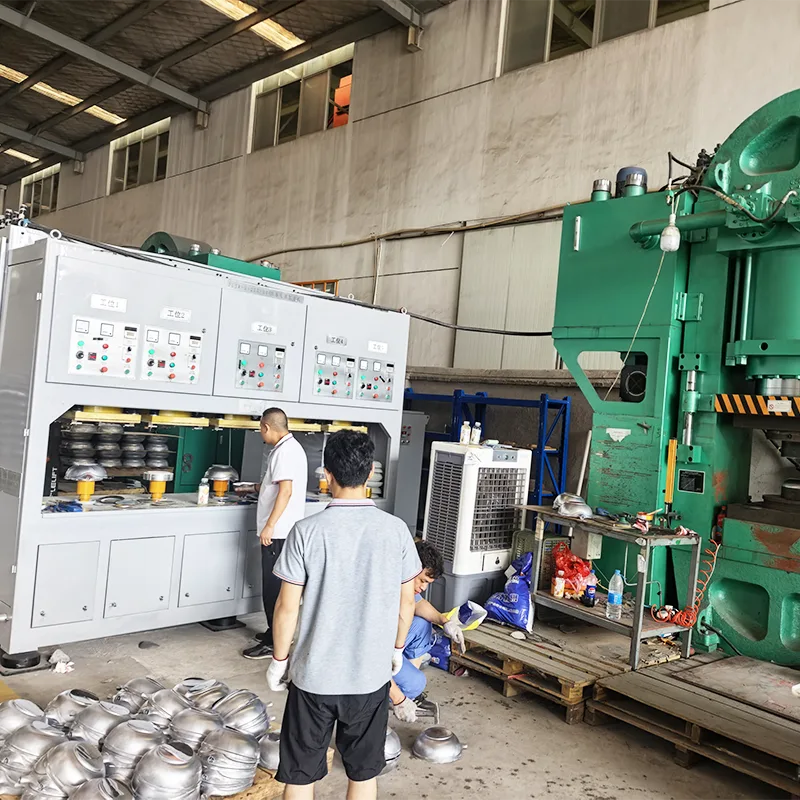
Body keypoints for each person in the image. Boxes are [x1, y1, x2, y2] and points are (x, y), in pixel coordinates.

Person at [266, 429, 420, 800]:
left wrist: (278, 661)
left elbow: (286, 607)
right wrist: (397, 650)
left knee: (300, 777)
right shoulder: (396, 531)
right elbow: (407, 603)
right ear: (370, 474)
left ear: (327, 474)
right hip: (369, 678)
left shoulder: (305, 532)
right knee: (363, 776)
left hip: (313, 678)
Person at [242, 408, 308, 660]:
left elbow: (285, 491)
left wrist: (269, 525)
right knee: (277, 588)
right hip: (284, 530)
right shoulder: (291, 448)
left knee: (274, 590)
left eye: (261, 429)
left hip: (279, 533)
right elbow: (276, 485)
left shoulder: (284, 452)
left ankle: (274, 642)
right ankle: (274, 633)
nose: (261, 434)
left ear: (267, 427)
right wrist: (253, 487)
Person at [390, 541, 465, 723]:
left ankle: (402, 682)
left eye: (428, 583)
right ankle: (382, 700)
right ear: (411, 568)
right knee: (416, 683)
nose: (423, 587)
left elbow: (419, 603)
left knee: (422, 624)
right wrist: (399, 699)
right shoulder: (386, 586)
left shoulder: (405, 583)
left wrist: (445, 622)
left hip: (387, 644)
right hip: (369, 651)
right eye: (422, 580)